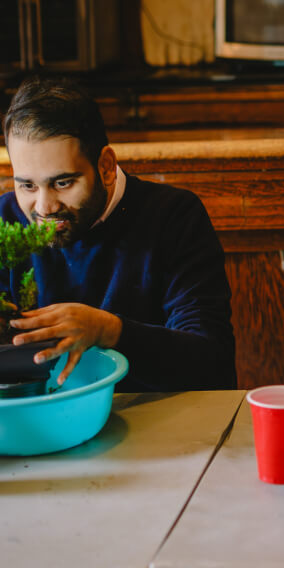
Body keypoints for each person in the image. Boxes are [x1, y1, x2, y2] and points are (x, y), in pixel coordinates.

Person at [1, 75, 236, 393]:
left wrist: (108, 329)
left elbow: (212, 362)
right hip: (36, 423)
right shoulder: (5, 221)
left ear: (106, 167)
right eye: (27, 185)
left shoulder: (174, 217)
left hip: (161, 423)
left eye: (63, 182)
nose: (44, 207)